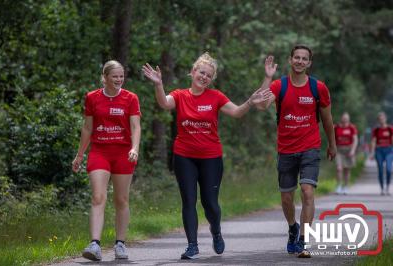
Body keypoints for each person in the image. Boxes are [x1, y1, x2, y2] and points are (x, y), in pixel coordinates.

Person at [142, 52, 274, 259]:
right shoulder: (180, 95)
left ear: (211, 79)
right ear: (193, 72)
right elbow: (164, 104)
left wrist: (249, 101)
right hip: (184, 156)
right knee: (188, 200)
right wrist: (158, 84)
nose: (204, 77)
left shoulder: (216, 96)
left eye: (208, 75)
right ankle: (192, 245)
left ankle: (216, 230)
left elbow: (237, 112)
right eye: (201, 72)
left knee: (210, 203)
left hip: (211, 157)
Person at [255, 45, 336, 258]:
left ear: (309, 63)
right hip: (286, 149)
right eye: (296, 58)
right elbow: (262, 105)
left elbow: (327, 119)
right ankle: (293, 228)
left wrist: (332, 144)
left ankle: (304, 240)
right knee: (286, 199)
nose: (300, 61)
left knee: (308, 192)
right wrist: (266, 77)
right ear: (290, 60)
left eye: (304, 59)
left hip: (310, 147)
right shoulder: (278, 85)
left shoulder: (318, 88)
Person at [72, 60, 141, 261]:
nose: (119, 80)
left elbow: (136, 127)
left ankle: (120, 244)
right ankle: (94, 244)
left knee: (121, 199)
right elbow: (87, 128)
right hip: (100, 152)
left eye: (121, 76)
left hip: (123, 153)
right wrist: (79, 155)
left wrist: (134, 148)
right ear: (105, 77)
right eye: (115, 76)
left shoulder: (131, 98)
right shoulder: (92, 98)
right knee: (98, 197)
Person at [334, 112, 358, 195]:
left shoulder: (352, 127)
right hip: (339, 150)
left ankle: (346, 186)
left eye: (346, 118)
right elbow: (332, 138)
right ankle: (339, 186)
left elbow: (355, 140)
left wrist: (353, 150)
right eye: (343, 118)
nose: (345, 119)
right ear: (341, 118)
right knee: (339, 168)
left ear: (348, 119)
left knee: (347, 170)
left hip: (349, 150)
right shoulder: (336, 127)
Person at [370, 112, 392, 195]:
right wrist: (372, 152)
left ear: (385, 119)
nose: (381, 120)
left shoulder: (390, 129)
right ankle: (382, 188)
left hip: (389, 150)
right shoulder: (376, 130)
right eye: (380, 119)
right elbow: (373, 141)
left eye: (382, 118)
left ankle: (388, 187)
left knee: (389, 169)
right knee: (380, 169)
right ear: (378, 121)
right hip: (379, 150)